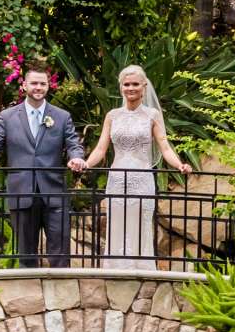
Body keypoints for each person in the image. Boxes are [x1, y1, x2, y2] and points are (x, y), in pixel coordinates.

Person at [80, 65, 191, 272]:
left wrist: (179, 165)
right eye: (126, 84)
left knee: (140, 222)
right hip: (117, 178)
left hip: (142, 178)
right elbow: (101, 148)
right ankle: (116, 267)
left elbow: (165, 147)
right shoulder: (112, 116)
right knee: (117, 221)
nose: (130, 88)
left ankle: (141, 267)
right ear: (121, 87)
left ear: (144, 86)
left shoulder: (152, 115)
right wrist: (86, 164)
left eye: (135, 84)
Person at [0, 62, 86, 268]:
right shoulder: (7, 117)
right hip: (21, 190)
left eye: (43, 84)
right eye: (34, 83)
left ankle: (61, 293)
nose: (38, 87)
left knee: (60, 249)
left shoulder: (62, 117)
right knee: (26, 252)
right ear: (24, 86)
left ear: (48, 86)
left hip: (54, 191)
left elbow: (73, 143)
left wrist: (76, 157)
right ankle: (29, 290)